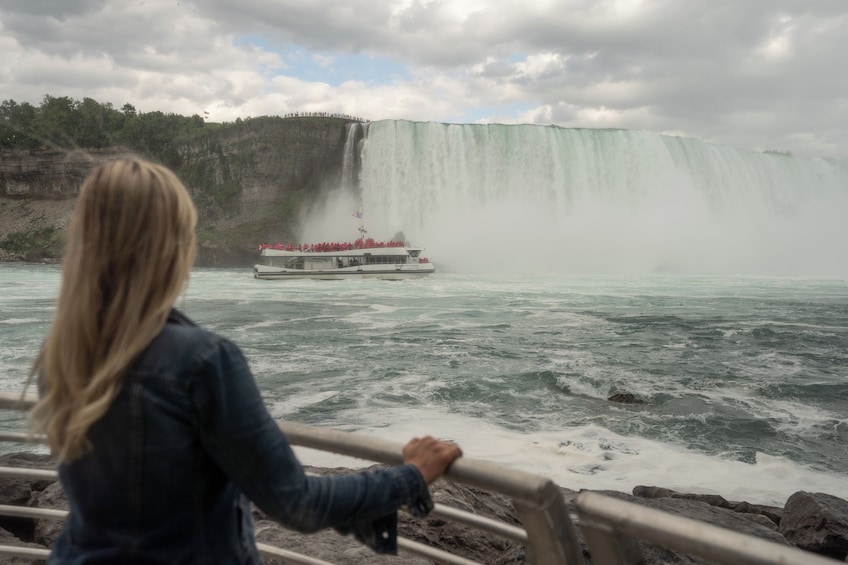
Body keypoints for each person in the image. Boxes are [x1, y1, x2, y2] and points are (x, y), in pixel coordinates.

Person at [26, 158, 462, 564]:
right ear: (171, 249)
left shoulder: (61, 355)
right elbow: (298, 502)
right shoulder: (201, 360)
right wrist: (410, 476)